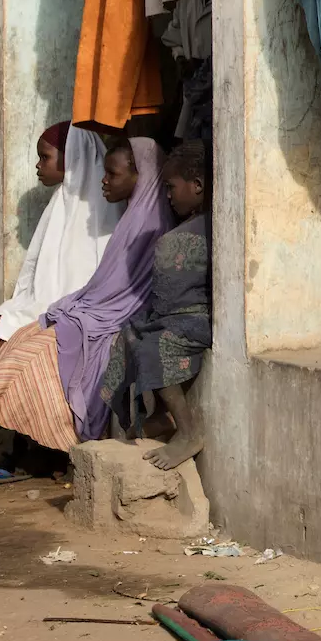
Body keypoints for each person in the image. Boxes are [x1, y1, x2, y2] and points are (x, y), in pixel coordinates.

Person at [0, 136, 171, 453]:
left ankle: (53, 448)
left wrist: (78, 311)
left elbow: (126, 297)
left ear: (140, 175)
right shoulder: (131, 216)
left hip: (114, 321)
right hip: (96, 313)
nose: (105, 180)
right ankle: (24, 447)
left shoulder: (150, 224)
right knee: (25, 337)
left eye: (114, 174)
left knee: (38, 356)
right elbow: (105, 286)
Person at [0, 124, 118, 419]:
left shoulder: (101, 208)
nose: (38, 165)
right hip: (52, 308)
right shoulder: (61, 202)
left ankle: (34, 439)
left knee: (20, 348)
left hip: (75, 315)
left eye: (45, 157)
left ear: (72, 158)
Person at [102, 140, 213, 469]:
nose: (167, 195)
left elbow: (174, 297)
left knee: (155, 346)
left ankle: (189, 432)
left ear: (197, 186)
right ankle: (154, 419)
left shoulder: (187, 237)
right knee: (128, 336)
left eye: (171, 187)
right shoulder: (185, 232)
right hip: (178, 315)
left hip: (198, 320)